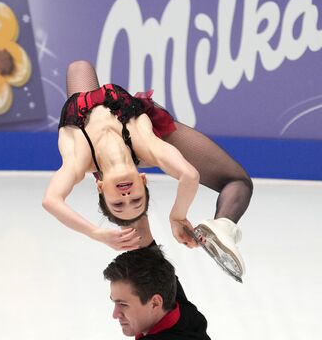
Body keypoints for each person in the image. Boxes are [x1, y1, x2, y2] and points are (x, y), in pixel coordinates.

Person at [42, 60, 253, 280]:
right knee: (238, 182)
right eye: (135, 199)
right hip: (137, 127)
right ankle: (224, 226)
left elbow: (51, 200)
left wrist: (96, 233)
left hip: (88, 120)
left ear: (101, 186)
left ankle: (154, 278)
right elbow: (189, 175)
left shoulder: (79, 158)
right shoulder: (149, 147)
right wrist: (177, 217)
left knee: (79, 67)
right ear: (143, 181)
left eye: (118, 203)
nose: (126, 196)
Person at [104, 245, 211, 339]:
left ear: (155, 303)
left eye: (123, 304)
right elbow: (142, 238)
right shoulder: (183, 310)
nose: (115, 314)